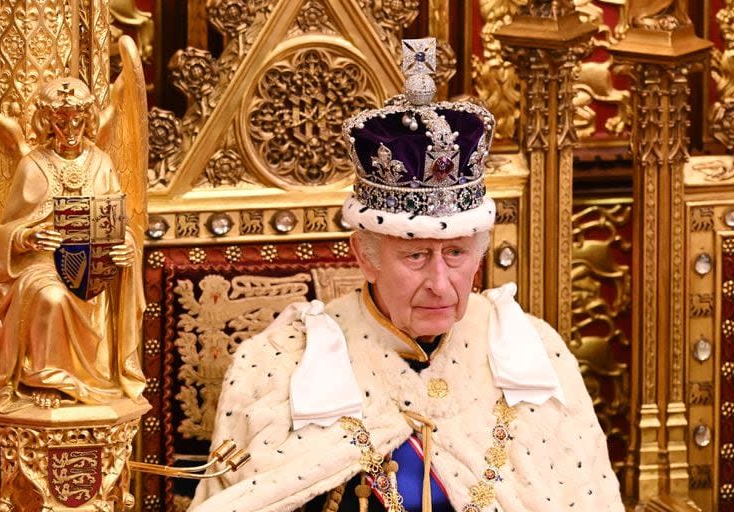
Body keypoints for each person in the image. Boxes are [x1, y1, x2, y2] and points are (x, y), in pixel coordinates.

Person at [190, 39, 623, 512]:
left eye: (456, 253)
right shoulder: (280, 363)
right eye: (415, 257)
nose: (441, 282)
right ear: (365, 255)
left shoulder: (535, 353)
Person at [0, 78, 145, 410]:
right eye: (60, 119)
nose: (70, 128)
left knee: (91, 293)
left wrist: (126, 246)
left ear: (88, 119)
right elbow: (4, 232)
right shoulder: (33, 165)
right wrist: (29, 237)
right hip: (42, 264)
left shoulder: (102, 162)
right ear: (46, 121)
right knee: (52, 297)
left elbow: (118, 223)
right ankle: (48, 378)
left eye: (77, 119)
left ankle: (95, 380)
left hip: (92, 264)